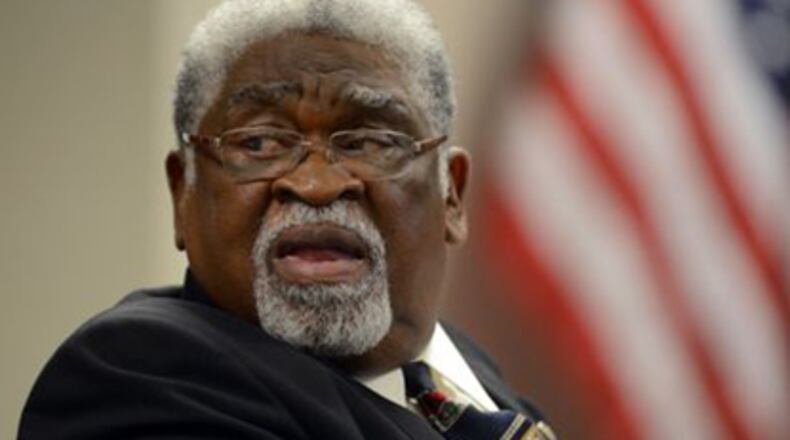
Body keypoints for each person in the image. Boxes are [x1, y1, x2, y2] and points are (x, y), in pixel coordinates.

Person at [19, 1, 555, 438]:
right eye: (259, 143)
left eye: (370, 141)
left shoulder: (461, 372)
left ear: (452, 197)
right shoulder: (137, 379)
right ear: (183, 193)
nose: (316, 185)